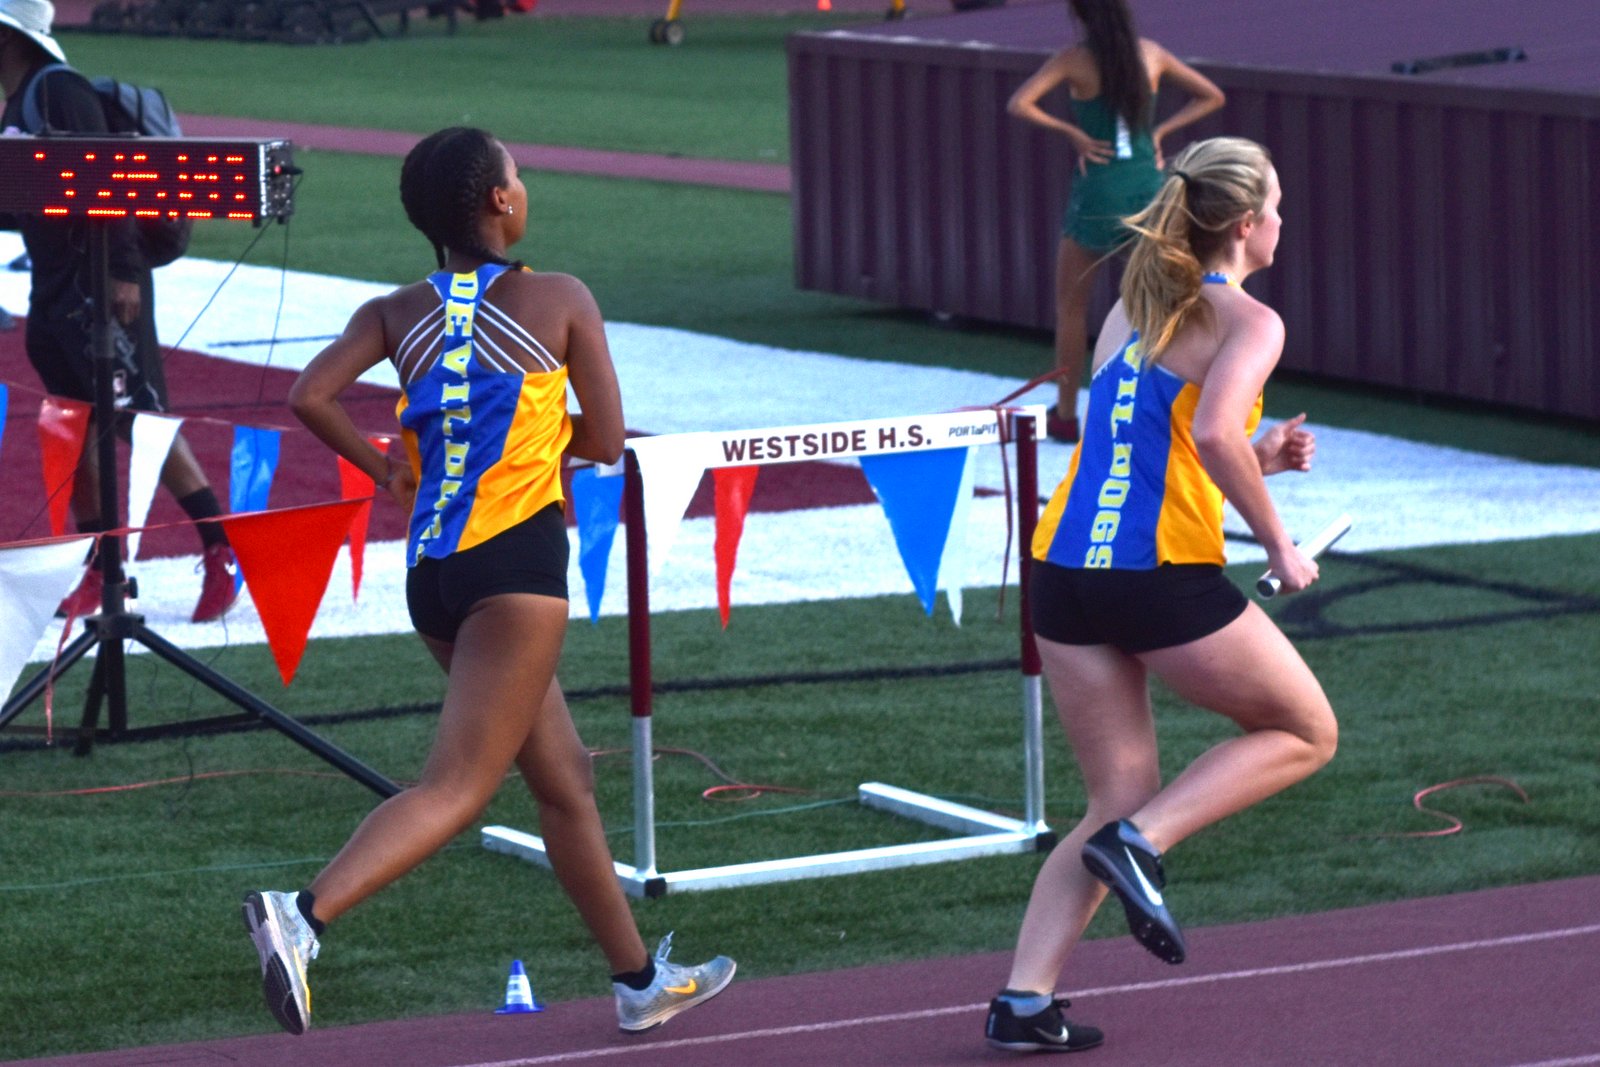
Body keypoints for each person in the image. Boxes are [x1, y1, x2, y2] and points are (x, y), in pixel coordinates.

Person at [246, 126, 735, 1038]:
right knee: (457, 786)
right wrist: (533, 427)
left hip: (434, 574)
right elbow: (606, 442)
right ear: (502, 202)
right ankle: (302, 916)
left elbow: (309, 394)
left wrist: (387, 468)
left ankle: (638, 980)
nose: (524, 182)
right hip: (515, 569)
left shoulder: (393, 312)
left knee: (564, 780)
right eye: (518, 172)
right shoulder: (561, 298)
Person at [983, 136, 1338, 1053]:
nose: (1284, 221)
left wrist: (1263, 458)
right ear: (1247, 224)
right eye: (1278, 207)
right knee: (1305, 730)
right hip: (1154, 576)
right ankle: (1142, 844)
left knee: (1115, 797)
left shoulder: (1132, 307)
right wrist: (1280, 544)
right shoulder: (1251, 321)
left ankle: (1023, 1001)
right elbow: (1213, 433)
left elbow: (1152, 450)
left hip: (1066, 573)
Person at [0, 0, 237, 622]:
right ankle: (102, 566)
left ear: (10, 36)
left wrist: (125, 270)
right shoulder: (24, 98)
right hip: (54, 284)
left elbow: (113, 178)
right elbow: (29, 198)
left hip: (96, 281)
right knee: (73, 423)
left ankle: (221, 547)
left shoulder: (58, 91)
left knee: (137, 418)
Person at [1007, 0, 1224, 444]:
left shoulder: (1073, 60)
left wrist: (1074, 134)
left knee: (1071, 308)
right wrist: (1160, 132)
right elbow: (1212, 95)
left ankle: (1066, 415)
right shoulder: (1152, 54)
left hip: (1099, 189)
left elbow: (1019, 104)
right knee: (1162, 304)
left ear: (1081, 14)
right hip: (1148, 187)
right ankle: (1163, 412)